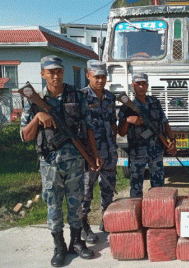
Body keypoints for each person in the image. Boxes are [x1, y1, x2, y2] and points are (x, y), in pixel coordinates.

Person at [20, 55, 99, 267]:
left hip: (75, 161)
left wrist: (94, 155)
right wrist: (37, 118)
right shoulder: (35, 101)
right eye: (51, 71)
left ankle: (76, 242)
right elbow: (25, 136)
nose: (56, 75)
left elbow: (88, 127)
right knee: (53, 206)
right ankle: (59, 246)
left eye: (59, 71)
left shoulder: (77, 95)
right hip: (49, 164)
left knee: (76, 204)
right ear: (42, 74)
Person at [118, 72, 177, 198]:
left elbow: (164, 122)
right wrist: (128, 120)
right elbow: (121, 132)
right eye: (138, 84)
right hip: (137, 151)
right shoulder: (127, 107)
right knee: (136, 187)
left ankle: (156, 212)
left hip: (156, 150)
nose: (141, 87)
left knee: (158, 188)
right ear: (132, 86)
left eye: (144, 84)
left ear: (147, 85)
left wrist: (172, 140)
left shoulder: (155, 102)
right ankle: (136, 213)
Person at [80, 60, 118, 242]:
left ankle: (107, 220)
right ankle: (83, 226)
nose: (100, 80)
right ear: (88, 75)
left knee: (108, 189)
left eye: (103, 77)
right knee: (86, 190)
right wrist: (90, 155)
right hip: (90, 155)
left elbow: (113, 122)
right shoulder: (80, 97)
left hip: (109, 151)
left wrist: (114, 145)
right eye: (96, 77)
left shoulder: (110, 97)